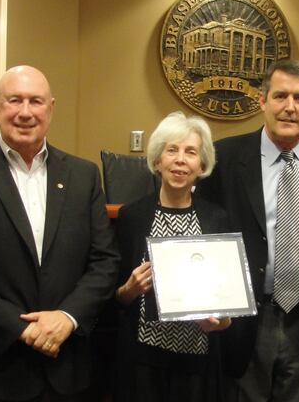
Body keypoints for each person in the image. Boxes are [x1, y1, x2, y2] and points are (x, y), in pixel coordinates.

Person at [0, 65, 120, 401]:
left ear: (50, 108)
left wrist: (67, 317)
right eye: (14, 101)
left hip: (71, 371)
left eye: (35, 101)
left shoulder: (84, 176)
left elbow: (104, 262)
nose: (24, 112)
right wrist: (23, 328)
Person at [199, 59, 299, 401]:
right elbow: (207, 237)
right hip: (244, 318)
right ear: (262, 101)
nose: (290, 107)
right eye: (280, 96)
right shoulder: (223, 158)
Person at [114, 111, 232, 402]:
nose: (180, 159)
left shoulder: (217, 219)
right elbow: (114, 297)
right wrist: (129, 290)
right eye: (172, 150)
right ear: (157, 161)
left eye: (191, 152)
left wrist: (220, 321)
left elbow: (228, 303)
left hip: (197, 362)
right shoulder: (131, 216)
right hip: (142, 362)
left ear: (201, 164)